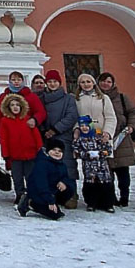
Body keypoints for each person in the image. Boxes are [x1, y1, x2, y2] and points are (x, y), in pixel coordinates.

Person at [97, 72, 135, 207]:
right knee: (107, 171)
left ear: (113, 84)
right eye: (103, 81)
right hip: (104, 137)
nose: (105, 84)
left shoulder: (121, 98)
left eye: (108, 82)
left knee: (123, 171)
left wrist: (131, 126)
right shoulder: (96, 98)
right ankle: (111, 197)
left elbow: (133, 113)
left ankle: (124, 196)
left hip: (121, 137)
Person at [39, 70, 80, 209]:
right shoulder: (42, 98)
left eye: (55, 81)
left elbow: (71, 116)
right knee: (49, 167)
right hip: (46, 137)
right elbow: (39, 114)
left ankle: (71, 194)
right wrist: (44, 130)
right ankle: (53, 194)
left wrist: (55, 129)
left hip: (62, 136)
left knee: (67, 166)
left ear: (59, 83)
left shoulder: (68, 99)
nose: (52, 84)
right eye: (50, 81)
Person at [0, 93, 43, 204]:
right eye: (12, 105)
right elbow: (4, 138)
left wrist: (39, 149)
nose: (15, 107)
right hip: (14, 155)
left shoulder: (27, 119)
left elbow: (36, 135)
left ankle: (31, 195)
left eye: (17, 105)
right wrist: (6, 154)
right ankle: (20, 194)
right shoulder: (5, 121)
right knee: (17, 177)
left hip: (30, 153)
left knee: (30, 176)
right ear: (8, 107)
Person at [18, 139, 75, 220]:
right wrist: (50, 201)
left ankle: (52, 204)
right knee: (56, 215)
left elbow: (66, 177)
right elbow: (41, 185)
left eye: (60, 151)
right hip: (38, 193)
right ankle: (30, 202)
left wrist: (64, 182)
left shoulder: (62, 165)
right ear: (48, 151)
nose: (57, 152)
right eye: (54, 150)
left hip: (51, 192)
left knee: (69, 188)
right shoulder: (42, 164)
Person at [73, 115, 115, 213]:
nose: (84, 128)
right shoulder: (79, 140)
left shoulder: (98, 137)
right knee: (90, 186)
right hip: (89, 167)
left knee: (106, 185)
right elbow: (77, 151)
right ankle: (91, 203)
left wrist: (101, 153)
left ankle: (108, 204)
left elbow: (108, 149)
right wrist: (86, 154)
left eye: (86, 125)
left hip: (102, 166)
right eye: (82, 126)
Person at [0, 71, 47, 139]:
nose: (16, 82)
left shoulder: (31, 96)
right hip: (8, 131)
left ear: (22, 81)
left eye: (19, 80)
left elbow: (41, 112)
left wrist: (34, 120)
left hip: (27, 130)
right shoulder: (3, 97)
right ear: (9, 81)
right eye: (13, 80)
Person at [73, 74, 117, 148]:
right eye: (82, 82)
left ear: (93, 83)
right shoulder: (76, 100)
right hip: (84, 136)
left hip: (101, 135)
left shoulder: (103, 98)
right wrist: (76, 129)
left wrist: (107, 132)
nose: (86, 84)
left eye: (88, 81)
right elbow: (75, 117)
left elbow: (110, 118)